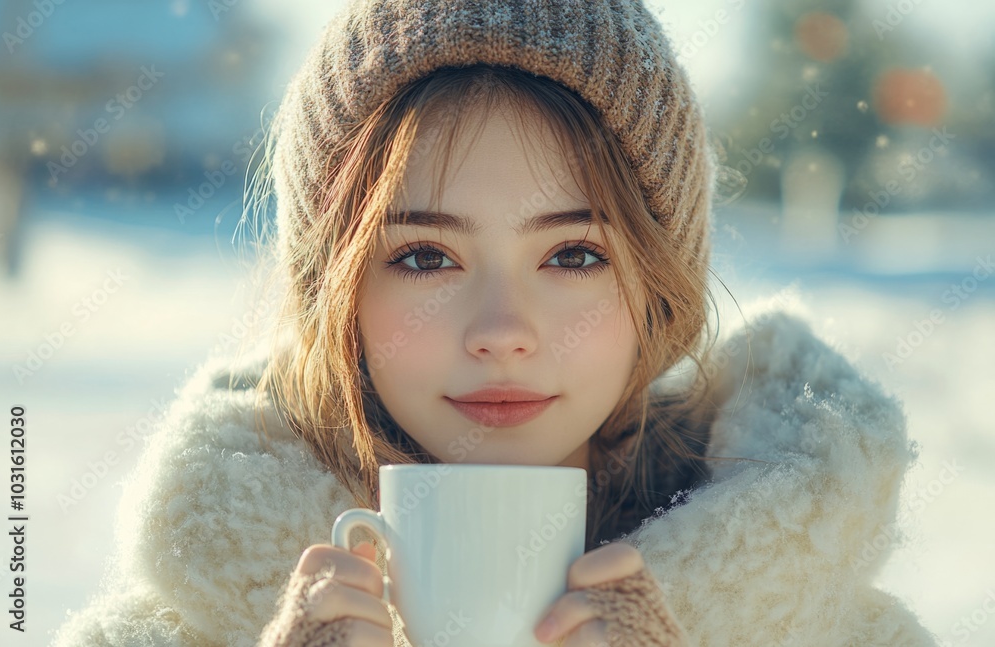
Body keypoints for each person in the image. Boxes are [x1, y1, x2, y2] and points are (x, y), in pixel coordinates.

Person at [50, 0, 938, 645]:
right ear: (338, 298)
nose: (502, 329)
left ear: (658, 292)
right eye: (426, 257)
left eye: (573, 255)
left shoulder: (833, 630)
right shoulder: (162, 633)